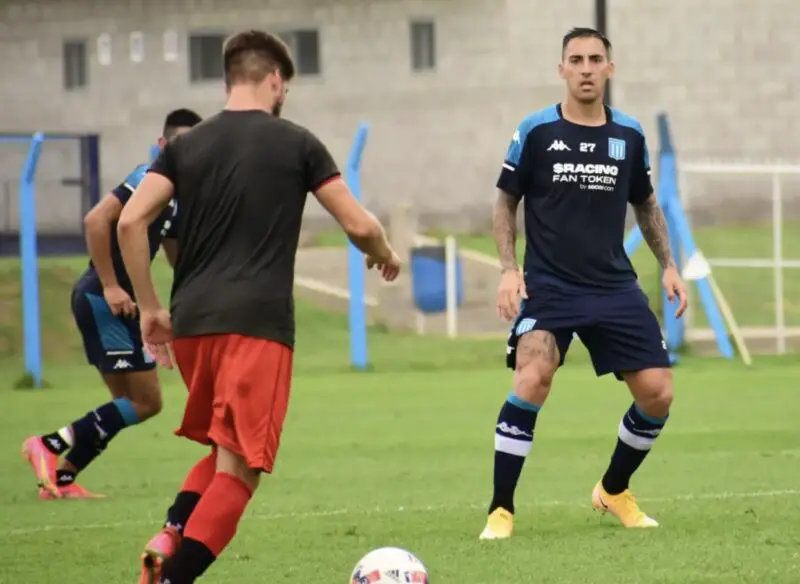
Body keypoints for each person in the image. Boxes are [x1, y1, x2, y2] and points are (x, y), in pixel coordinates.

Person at [116, 30, 401, 584]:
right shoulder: (296, 142)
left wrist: (150, 308)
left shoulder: (184, 146)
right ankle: (173, 579)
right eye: (284, 87)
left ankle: (173, 531)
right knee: (243, 471)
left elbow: (130, 221)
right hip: (257, 325)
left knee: (226, 451)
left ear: (229, 78)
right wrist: (384, 252)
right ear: (275, 79)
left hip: (193, 323)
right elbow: (359, 224)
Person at [478, 27, 688, 540]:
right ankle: (500, 510)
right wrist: (510, 267)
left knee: (658, 394)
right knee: (533, 374)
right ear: (562, 69)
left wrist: (668, 264)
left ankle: (613, 489)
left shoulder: (629, 136)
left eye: (596, 59)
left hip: (614, 286)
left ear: (610, 69)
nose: (587, 68)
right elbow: (505, 200)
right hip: (549, 286)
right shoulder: (536, 130)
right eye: (577, 59)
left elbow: (646, 204)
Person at [21, 109, 203, 500]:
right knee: (147, 401)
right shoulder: (147, 177)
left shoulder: (177, 197)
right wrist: (110, 286)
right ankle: (49, 444)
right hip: (106, 299)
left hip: (113, 301)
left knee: (125, 403)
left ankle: (63, 481)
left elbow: (177, 255)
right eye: (178, 144)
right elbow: (95, 221)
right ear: (162, 145)